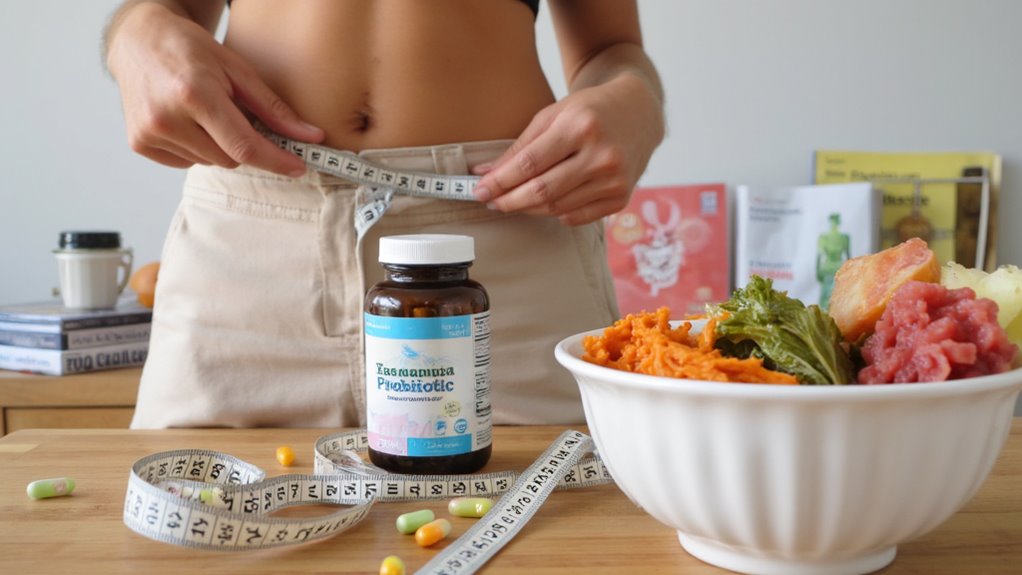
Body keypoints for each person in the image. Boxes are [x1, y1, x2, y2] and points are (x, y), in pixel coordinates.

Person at [103, 0, 665, 429]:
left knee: (564, 537)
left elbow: (609, 49)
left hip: (504, 246)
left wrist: (635, 98)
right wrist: (135, 33)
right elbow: (159, 11)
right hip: (249, 257)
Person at [816, 212, 851, 309]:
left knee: (825, 298)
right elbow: (849, 258)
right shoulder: (844, 238)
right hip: (839, 267)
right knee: (838, 298)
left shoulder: (824, 238)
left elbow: (818, 257)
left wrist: (817, 272)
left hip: (827, 268)